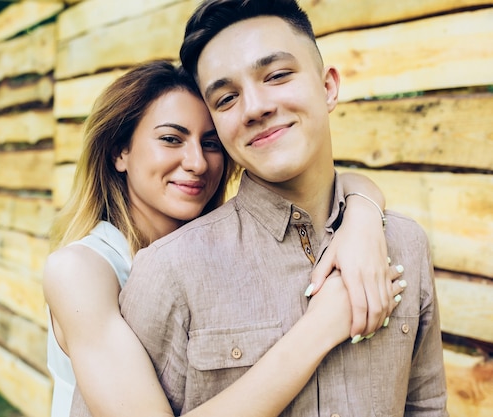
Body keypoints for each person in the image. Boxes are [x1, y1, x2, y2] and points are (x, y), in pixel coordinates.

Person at [119, 1, 448, 416]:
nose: (255, 107)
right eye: (225, 99)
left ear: (328, 87)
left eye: (276, 75)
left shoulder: (405, 245)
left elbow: (427, 408)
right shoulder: (169, 272)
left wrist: (364, 211)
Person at [45, 61, 404, 417]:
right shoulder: (79, 270)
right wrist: (320, 327)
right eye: (172, 139)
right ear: (119, 152)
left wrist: (363, 216)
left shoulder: (213, 253)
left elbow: (344, 183)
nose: (197, 162)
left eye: (211, 143)